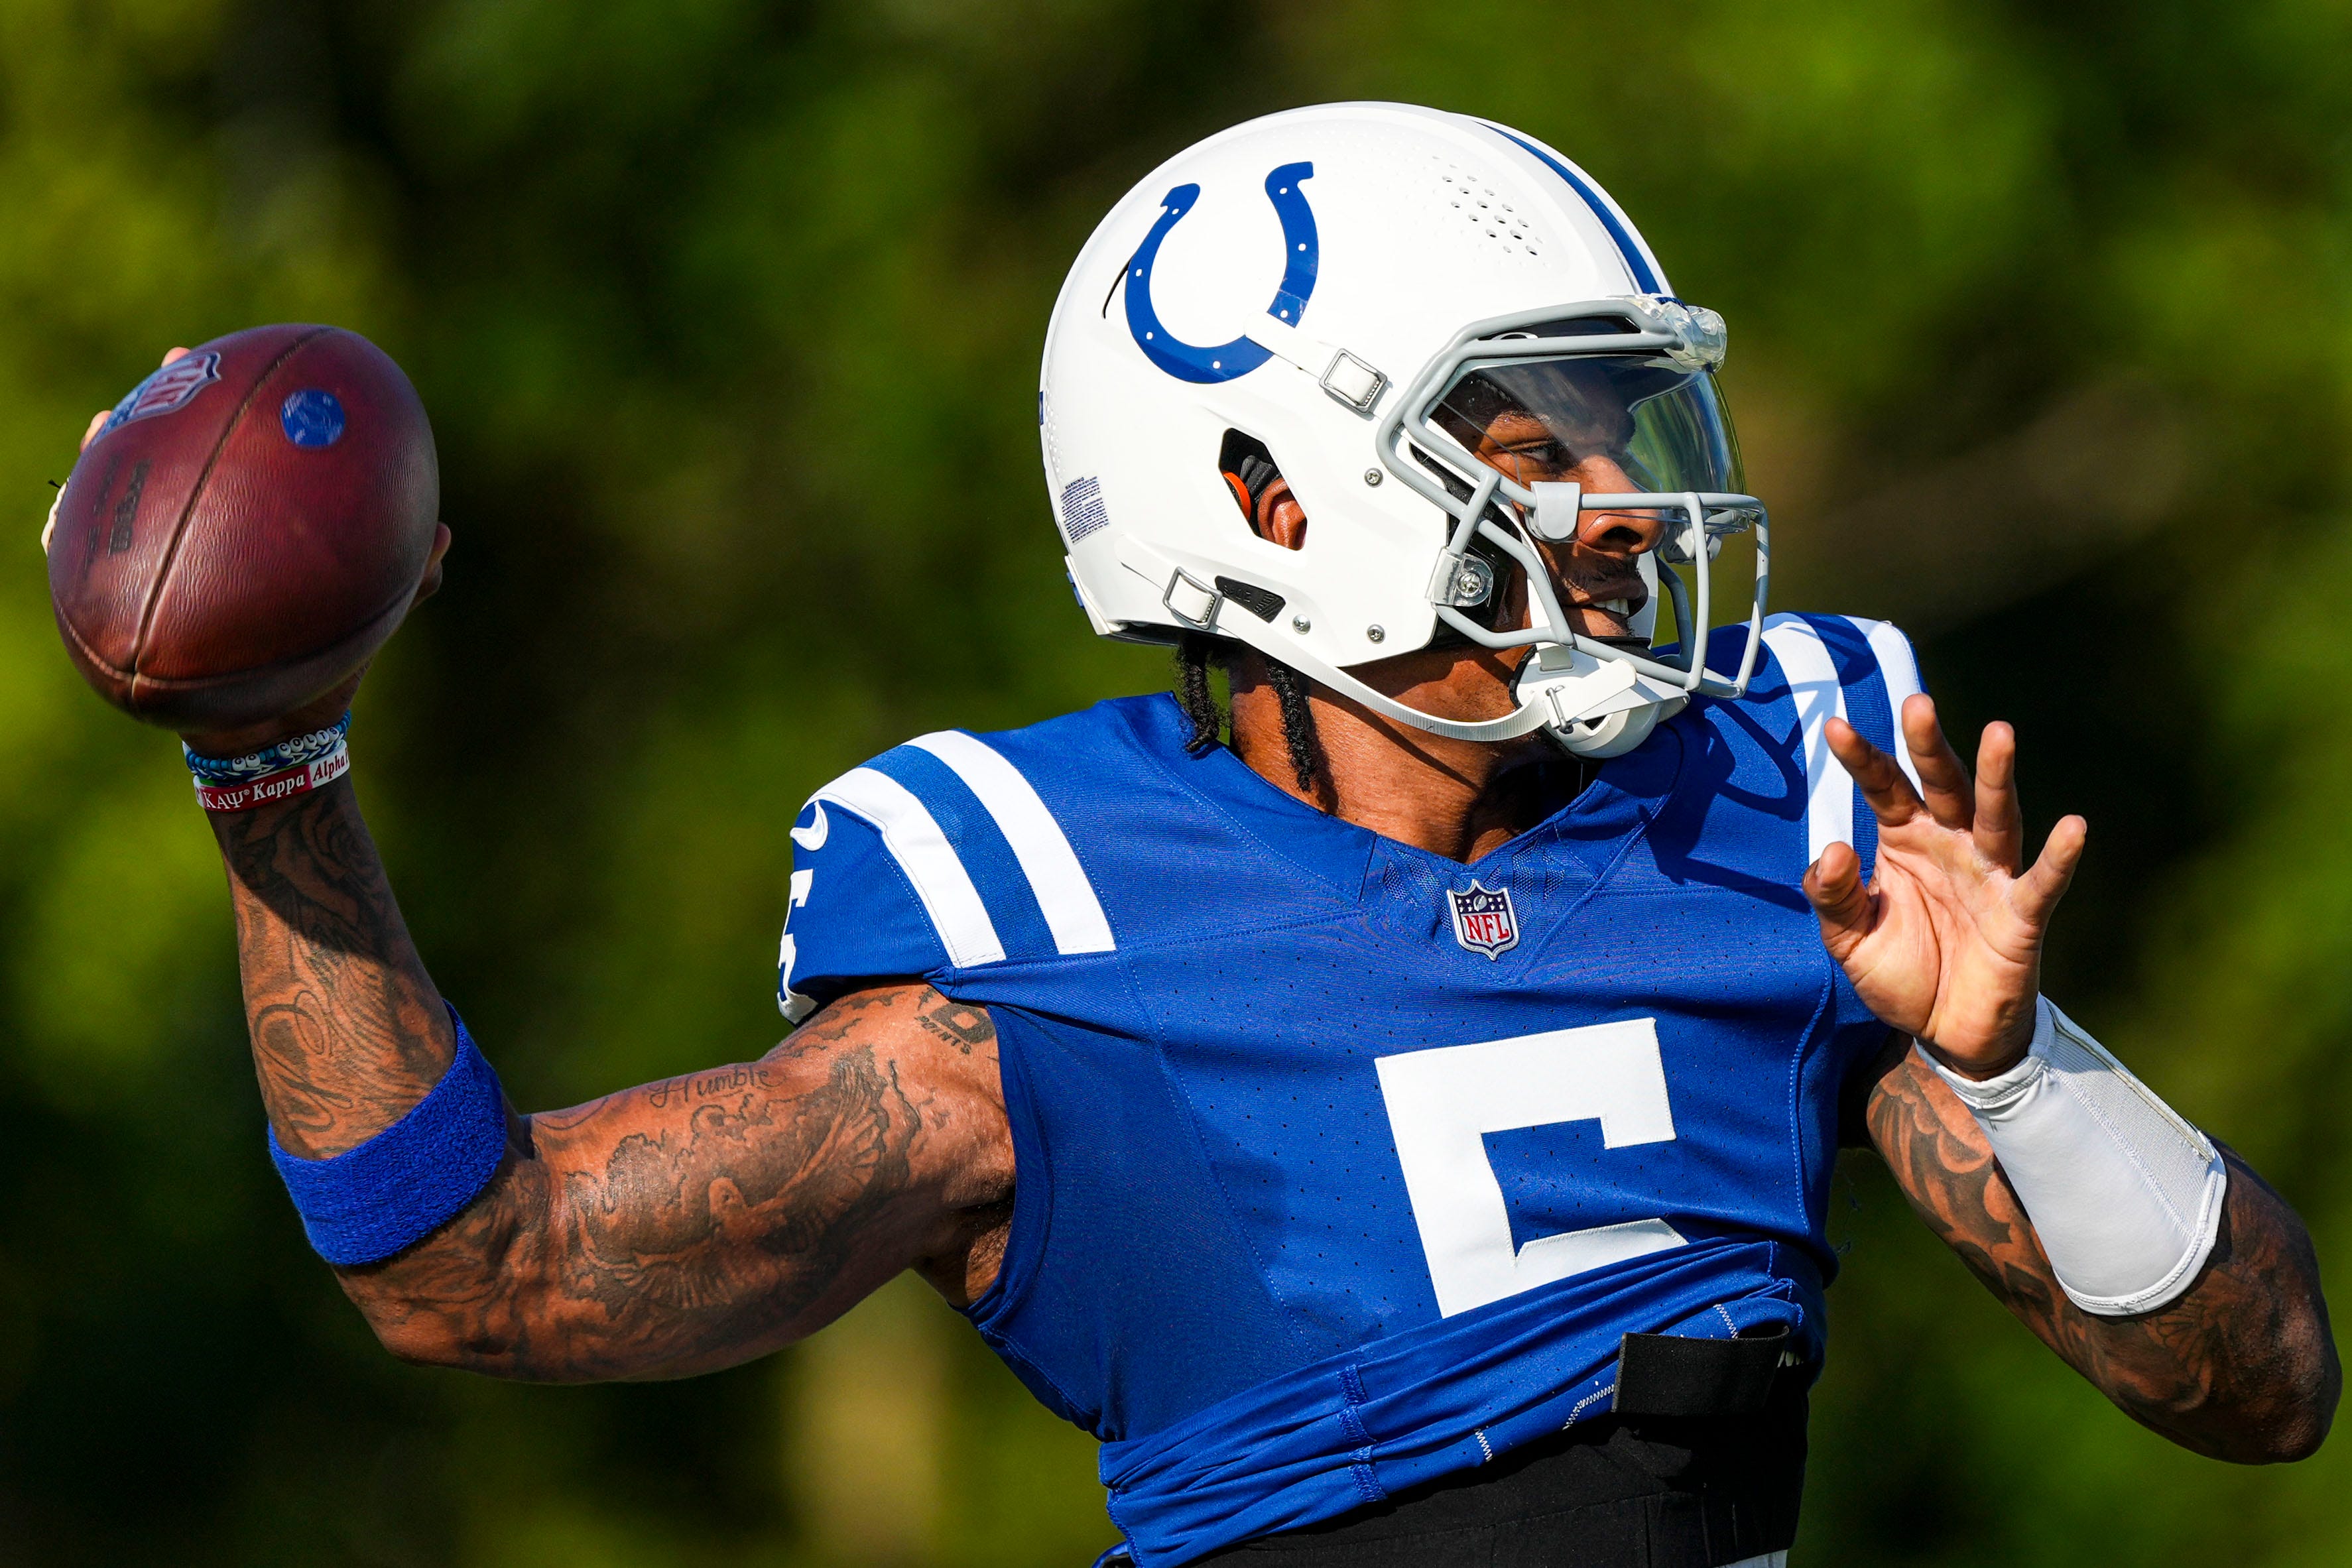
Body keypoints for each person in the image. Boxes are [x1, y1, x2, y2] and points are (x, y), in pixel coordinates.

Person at [91, 103, 2333, 1568]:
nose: (1620, 506)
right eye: (1530, 443)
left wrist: (2009, 1070)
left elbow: (2259, 1395)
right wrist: (274, 780)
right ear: (1269, 498)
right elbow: (477, 1272)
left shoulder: (1785, 820)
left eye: (1626, 427)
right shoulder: (1043, 926)